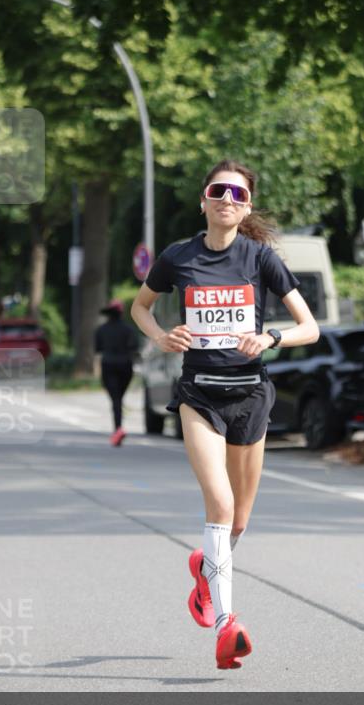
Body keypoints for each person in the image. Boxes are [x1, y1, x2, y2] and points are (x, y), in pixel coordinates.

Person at [131, 159, 319, 669]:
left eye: (238, 194)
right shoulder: (178, 257)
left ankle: (203, 572)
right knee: (218, 503)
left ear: (247, 206)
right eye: (219, 191)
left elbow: (310, 327)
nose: (227, 200)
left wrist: (271, 336)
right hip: (200, 397)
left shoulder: (260, 259)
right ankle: (226, 625)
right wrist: (161, 336)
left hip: (251, 396)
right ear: (204, 200)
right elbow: (140, 306)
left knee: (238, 519)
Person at [95, 298, 139, 446]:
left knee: (115, 399)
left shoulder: (101, 330)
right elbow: (135, 347)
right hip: (126, 366)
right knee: (119, 398)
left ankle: (118, 429)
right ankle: (118, 428)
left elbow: (98, 349)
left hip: (108, 365)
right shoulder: (129, 329)